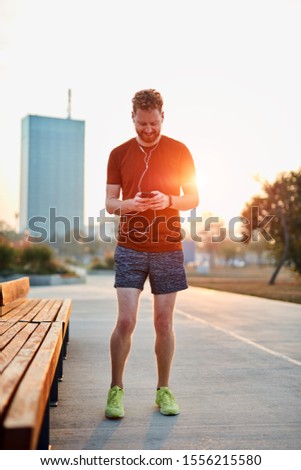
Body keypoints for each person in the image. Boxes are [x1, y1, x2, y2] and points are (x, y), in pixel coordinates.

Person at [105, 89, 199, 419]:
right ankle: (116, 389)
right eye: (142, 123)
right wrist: (126, 205)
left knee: (163, 323)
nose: (148, 129)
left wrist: (169, 200)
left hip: (168, 248)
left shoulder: (179, 150)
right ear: (133, 118)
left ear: (163, 117)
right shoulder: (118, 154)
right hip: (130, 247)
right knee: (126, 320)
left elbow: (193, 198)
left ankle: (164, 390)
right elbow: (110, 203)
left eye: (154, 123)